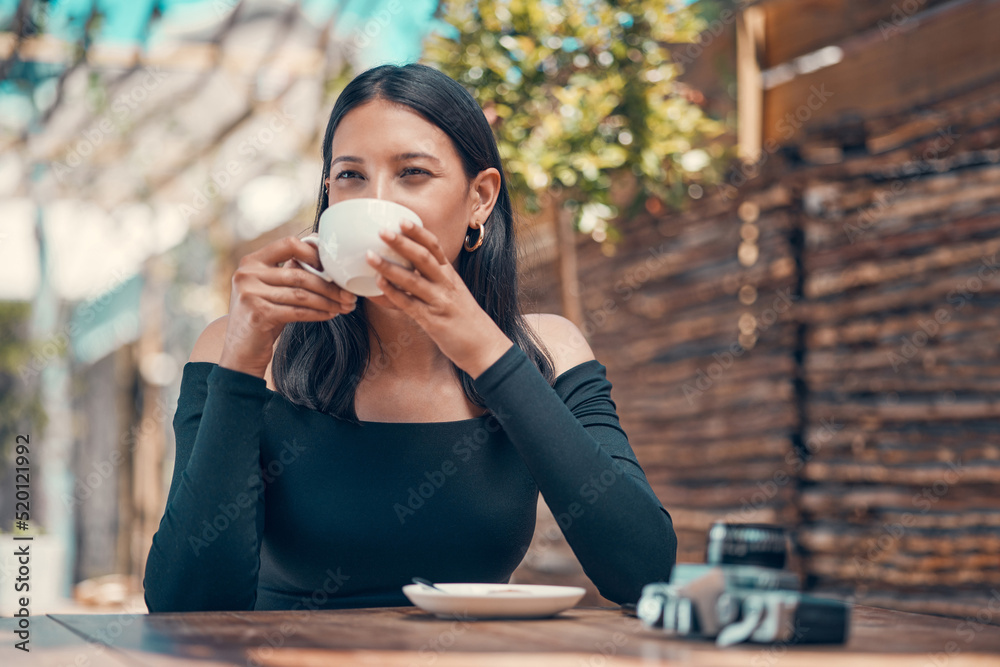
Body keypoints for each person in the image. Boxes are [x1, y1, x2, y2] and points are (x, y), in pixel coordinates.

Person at [143, 63, 677, 613]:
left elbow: (645, 572)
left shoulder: (548, 351)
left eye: (413, 173)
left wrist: (485, 351)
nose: (377, 201)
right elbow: (185, 604)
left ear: (480, 198)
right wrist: (243, 361)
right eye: (350, 176)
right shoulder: (244, 347)